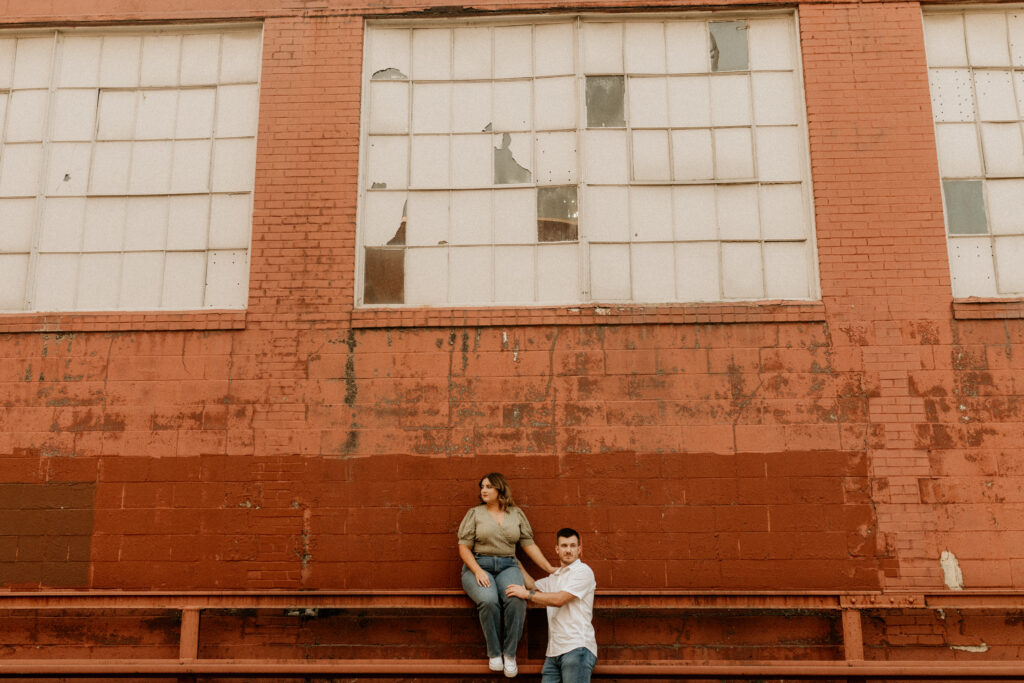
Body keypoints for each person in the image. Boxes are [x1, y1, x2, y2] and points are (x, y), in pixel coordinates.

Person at [458, 473, 556, 678]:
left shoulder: (516, 514)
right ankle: (494, 653)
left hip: (508, 565)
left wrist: (549, 568)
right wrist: (477, 570)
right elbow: (463, 548)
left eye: (489, 487)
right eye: (482, 486)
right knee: (488, 600)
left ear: (500, 490)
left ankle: (509, 654)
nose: (483, 490)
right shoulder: (475, 513)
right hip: (478, 564)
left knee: (517, 598)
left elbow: (528, 544)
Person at [505, 528, 597, 683]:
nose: (568, 550)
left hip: (577, 649)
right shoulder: (555, 577)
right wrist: (514, 560)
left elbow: (559, 599)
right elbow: (532, 585)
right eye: (564, 546)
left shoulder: (583, 571)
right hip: (553, 653)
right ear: (557, 549)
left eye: (573, 546)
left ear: (579, 549)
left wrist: (526, 594)